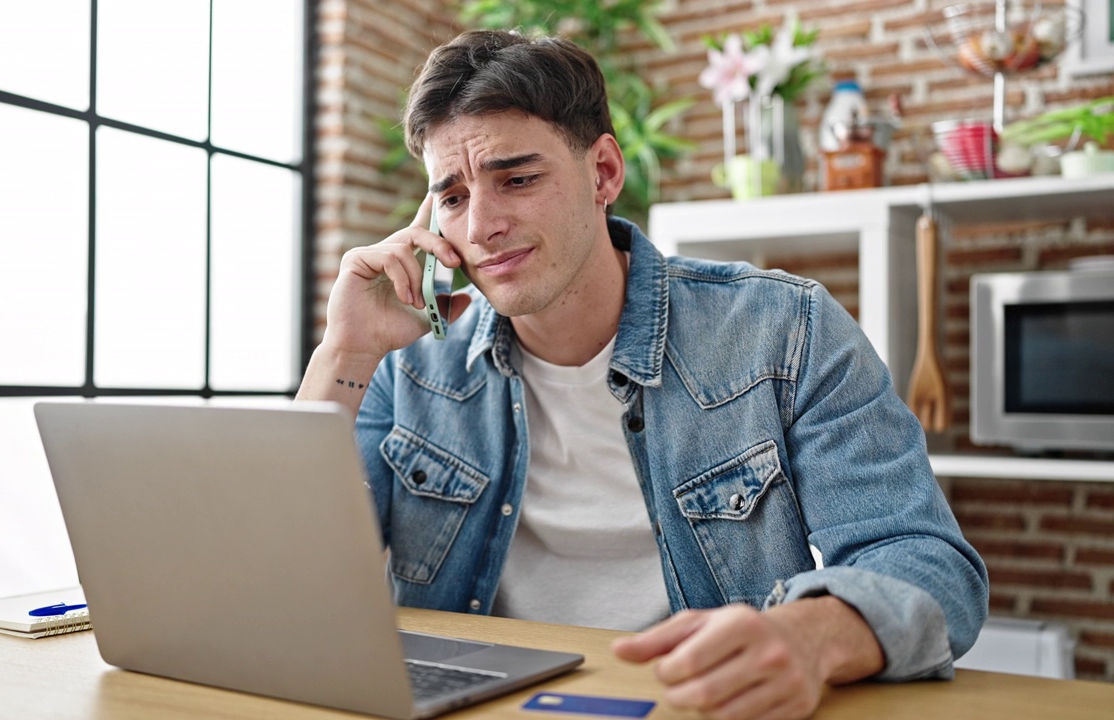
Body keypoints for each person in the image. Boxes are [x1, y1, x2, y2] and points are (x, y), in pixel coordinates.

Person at [297, 29, 987, 719]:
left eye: (518, 179)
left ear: (603, 174)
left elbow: (926, 563)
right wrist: (345, 354)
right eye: (451, 196)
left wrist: (809, 637)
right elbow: (290, 583)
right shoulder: (408, 362)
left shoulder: (784, 329)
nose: (480, 226)